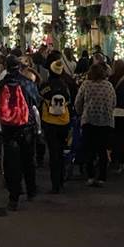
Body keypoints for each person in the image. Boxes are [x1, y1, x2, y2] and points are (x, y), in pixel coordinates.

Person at [0, 56, 40, 210]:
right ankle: (31, 190)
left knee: (12, 162)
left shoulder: (3, 84)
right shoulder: (27, 83)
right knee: (28, 159)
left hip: (9, 127)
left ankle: (13, 197)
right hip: (26, 126)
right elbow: (36, 101)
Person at [75, 61, 116, 187]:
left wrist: (81, 113)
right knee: (102, 150)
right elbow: (114, 102)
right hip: (106, 121)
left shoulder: (86, 84)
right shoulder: (109, 85)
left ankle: (91, 176)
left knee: (89, 150)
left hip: (89, 120)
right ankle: (102, 177)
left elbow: (78, 102)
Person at [40, 57, 76, 193]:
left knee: (53, 153)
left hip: (49, 122)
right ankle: (61, 180)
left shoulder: (46, 86)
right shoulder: (66, 85)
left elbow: (39, 97)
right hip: (64, 122)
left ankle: (55, 184)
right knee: (61, 152)